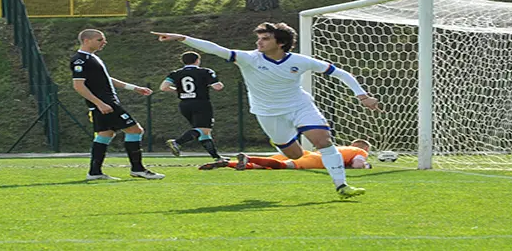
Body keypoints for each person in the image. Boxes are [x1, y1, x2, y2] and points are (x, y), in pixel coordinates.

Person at [151, 22, 380, 199]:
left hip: (300, 105)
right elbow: (216, 49)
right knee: (295, 155)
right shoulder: (249, 58)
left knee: (323, 141)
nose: (259, 42)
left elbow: (339, 72)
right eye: (259, 38)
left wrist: (361, 95)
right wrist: (182, 38)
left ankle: (341, 185)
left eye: (265, 38)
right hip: (268, 112)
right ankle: (283, 141)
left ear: (280, 43)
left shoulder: (300, 61)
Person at [71, 29, 165, 180]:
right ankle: (138, 169)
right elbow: (78, 86)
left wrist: (135, 88)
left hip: (105, 102)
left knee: (105, 134)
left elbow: (108, 79)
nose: (104, 42)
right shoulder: (80, 60)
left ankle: (94, 173)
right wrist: (99, 103)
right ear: (86, 41)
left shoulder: (93, 58)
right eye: (99, 39)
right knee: (135, 130)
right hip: (106, 103)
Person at [160, 51, 229, 162]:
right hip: (201, 103)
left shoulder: (175, 73)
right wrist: (218, 84)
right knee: (203, 129)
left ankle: (217, 158)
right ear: (198, 60)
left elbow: (163, 87)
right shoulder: (205, 71)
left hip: (185, 104)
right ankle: (177, 142)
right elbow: (217, 87)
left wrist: (178, 91)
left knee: (203, 132)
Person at [199, 139, 372, 170]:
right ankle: (249, 158)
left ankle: (226, 163)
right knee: (285, 166)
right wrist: (365, 165)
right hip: (317, 160)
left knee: (265, 165)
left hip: (310, 153)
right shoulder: (360, 151)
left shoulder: (342, 148)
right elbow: (357, 164)